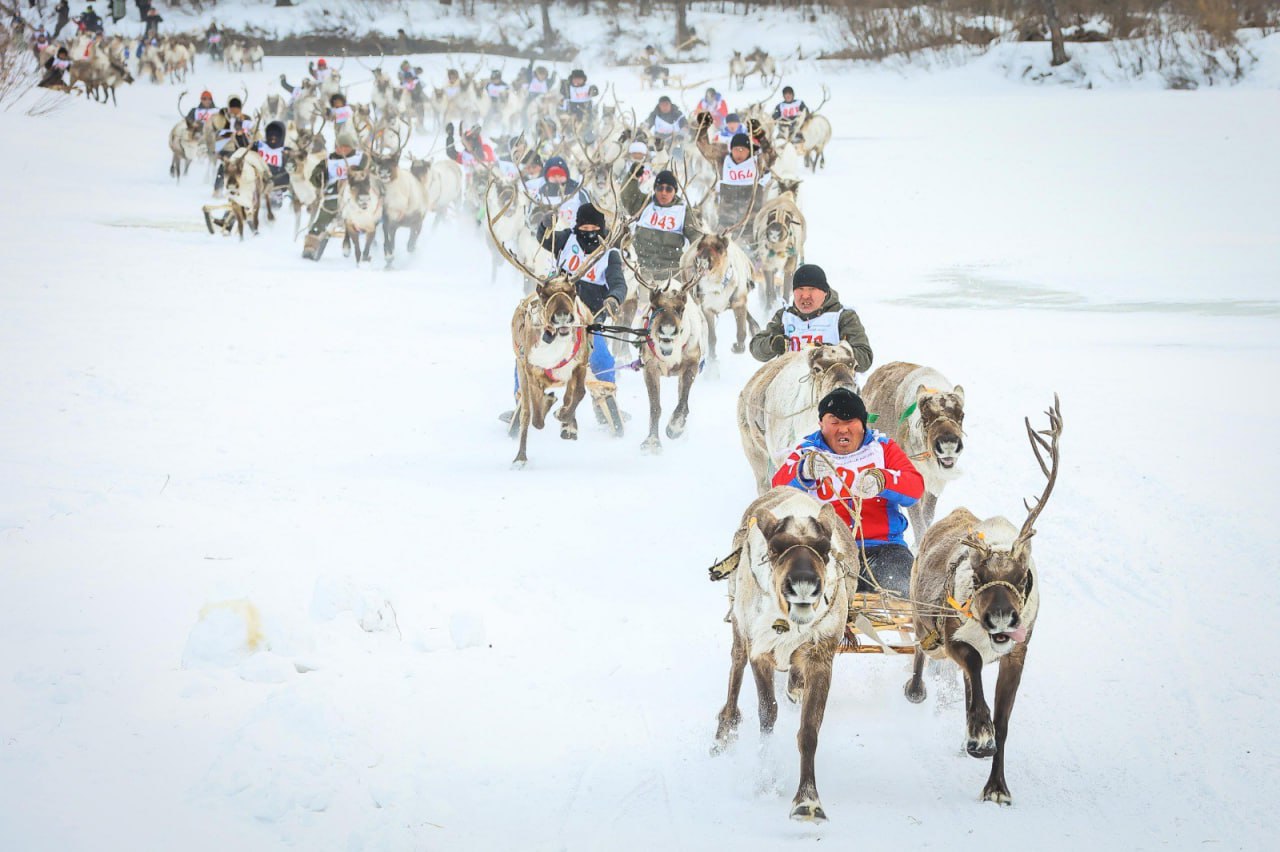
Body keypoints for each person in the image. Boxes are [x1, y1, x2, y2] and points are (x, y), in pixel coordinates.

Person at [772, 388, 924, 595]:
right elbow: (778, 490)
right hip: (825, 550)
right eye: (834, 422)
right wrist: (803, 471)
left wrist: (883, 480)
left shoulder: (883, 448)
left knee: (905, 590)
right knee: (809, 595)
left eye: (850, 422)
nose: (842, 430)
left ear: (862, 424)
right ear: (821, 425)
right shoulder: (807, 452)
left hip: (883, 548)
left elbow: (915, 488)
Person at [749, 264, 873, 368]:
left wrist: (832, 353)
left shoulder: (843, 317)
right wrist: (772, 344)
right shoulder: (785, 316)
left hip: (832, 385)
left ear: (824, 292)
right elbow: (756, 348)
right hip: (791, 386)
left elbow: (865, 358)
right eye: (800, 289)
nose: (805, 295)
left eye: (812, 289)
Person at [622, 169, 702, 283]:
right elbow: (628, 197)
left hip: (671, 274)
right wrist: (633, 175)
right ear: (655, 189)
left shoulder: (683, 212)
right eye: (660, 188)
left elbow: (696, 236)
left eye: (668, 189)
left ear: (675, 191)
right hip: (641, 269)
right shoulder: (645, 204)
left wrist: (702, 252)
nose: (663, 192)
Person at [303, 130, 363, 260]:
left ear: (351, 147)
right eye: (338, 147)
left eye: (345, 147)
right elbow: (314, 178)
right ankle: (311, 246)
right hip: (333, 196)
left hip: (356, 196)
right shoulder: (328, 162)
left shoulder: (360, 159)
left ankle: (370, 244)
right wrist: (319, 177)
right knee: (322, 220)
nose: (341, 150)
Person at [532, 155, 590, 243]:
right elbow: (531, 220)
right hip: (550, 241)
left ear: (566, 175)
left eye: (560, 175)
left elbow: (591, 212)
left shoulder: (578, 190)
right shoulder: (540, 194)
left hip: (577, 238)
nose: (557, 178)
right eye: (553, 175)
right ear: (547, 177)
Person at [213, 97, 254, 193]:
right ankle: (218, 189)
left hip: (242, 147)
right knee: (225, 166)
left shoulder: (246, 119)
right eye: (232, 108)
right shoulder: (223, 118)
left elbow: (253, 131)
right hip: (227, 148)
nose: (235, 111)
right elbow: (217, 131)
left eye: (237, 108)